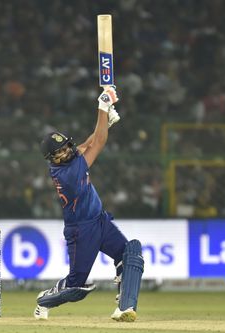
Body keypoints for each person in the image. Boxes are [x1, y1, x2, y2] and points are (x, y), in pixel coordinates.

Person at [34, 86, 144, 322]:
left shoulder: (71, 157)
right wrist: (102, 107)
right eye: (58, 153)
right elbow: (99, 143)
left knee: (130, 252)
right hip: (81, 230)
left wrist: (106, 121)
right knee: (77, 287)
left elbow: (87, 143)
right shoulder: (67, 174)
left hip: (99, 220)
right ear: (51, 160)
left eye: (65, 148)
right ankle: (45, 300)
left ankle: (125, 307)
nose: (64, 153)